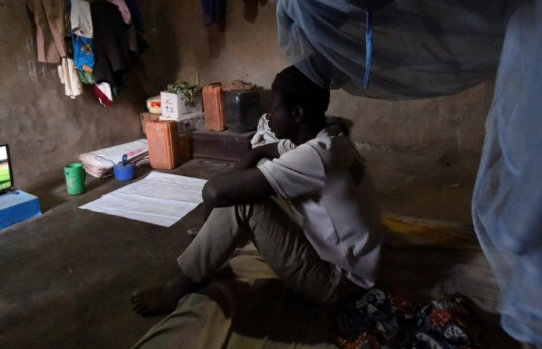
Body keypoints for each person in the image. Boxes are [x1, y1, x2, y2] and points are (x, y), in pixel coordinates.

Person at [131, 65, 383, 316]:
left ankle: (176, 290)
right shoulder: (330, 139)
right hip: (355, 265)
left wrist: (209, 224)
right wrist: (257, 151)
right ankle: (206, 253)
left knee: (244, 202)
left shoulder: (315, 157)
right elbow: (265, 152)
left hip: (340, 284)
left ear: (297, 113)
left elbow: (215, 191)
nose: (268, 115)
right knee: (255, 180)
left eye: (274, 109)